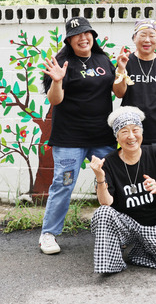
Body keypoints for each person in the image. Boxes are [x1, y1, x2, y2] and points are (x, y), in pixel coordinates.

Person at [39, 17, 116, 255]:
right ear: (69, 40)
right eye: (77, 35)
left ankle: (118, 229)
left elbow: (117, 89)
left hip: (102, 136)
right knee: (64, 184)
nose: (83, 38)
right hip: (69, 138)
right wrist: (57, 81)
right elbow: (55, 100)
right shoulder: (61, 63)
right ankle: (48, 234)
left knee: (114, 179)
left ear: (93, 36)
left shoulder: (103, 59)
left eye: (87, 33)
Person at [90, 106, 156, 273]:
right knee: (102, 213)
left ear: (141, 132)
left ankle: (139, 254)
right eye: (124, 131)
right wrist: (100, 177)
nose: (131, 136)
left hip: (154, 225)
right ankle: (112, 264)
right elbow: (105, 202)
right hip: (125, 225)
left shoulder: (154, 153)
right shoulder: (109, 162)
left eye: (135, 130)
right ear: (117, 136)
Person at [114, 19, 156, 161]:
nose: (147, 40)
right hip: (130, 132)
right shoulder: (126, 61)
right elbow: (119, 94)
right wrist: (121, 69)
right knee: (131, 174)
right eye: (142, 35)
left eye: (152, 35)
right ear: (134, 38)